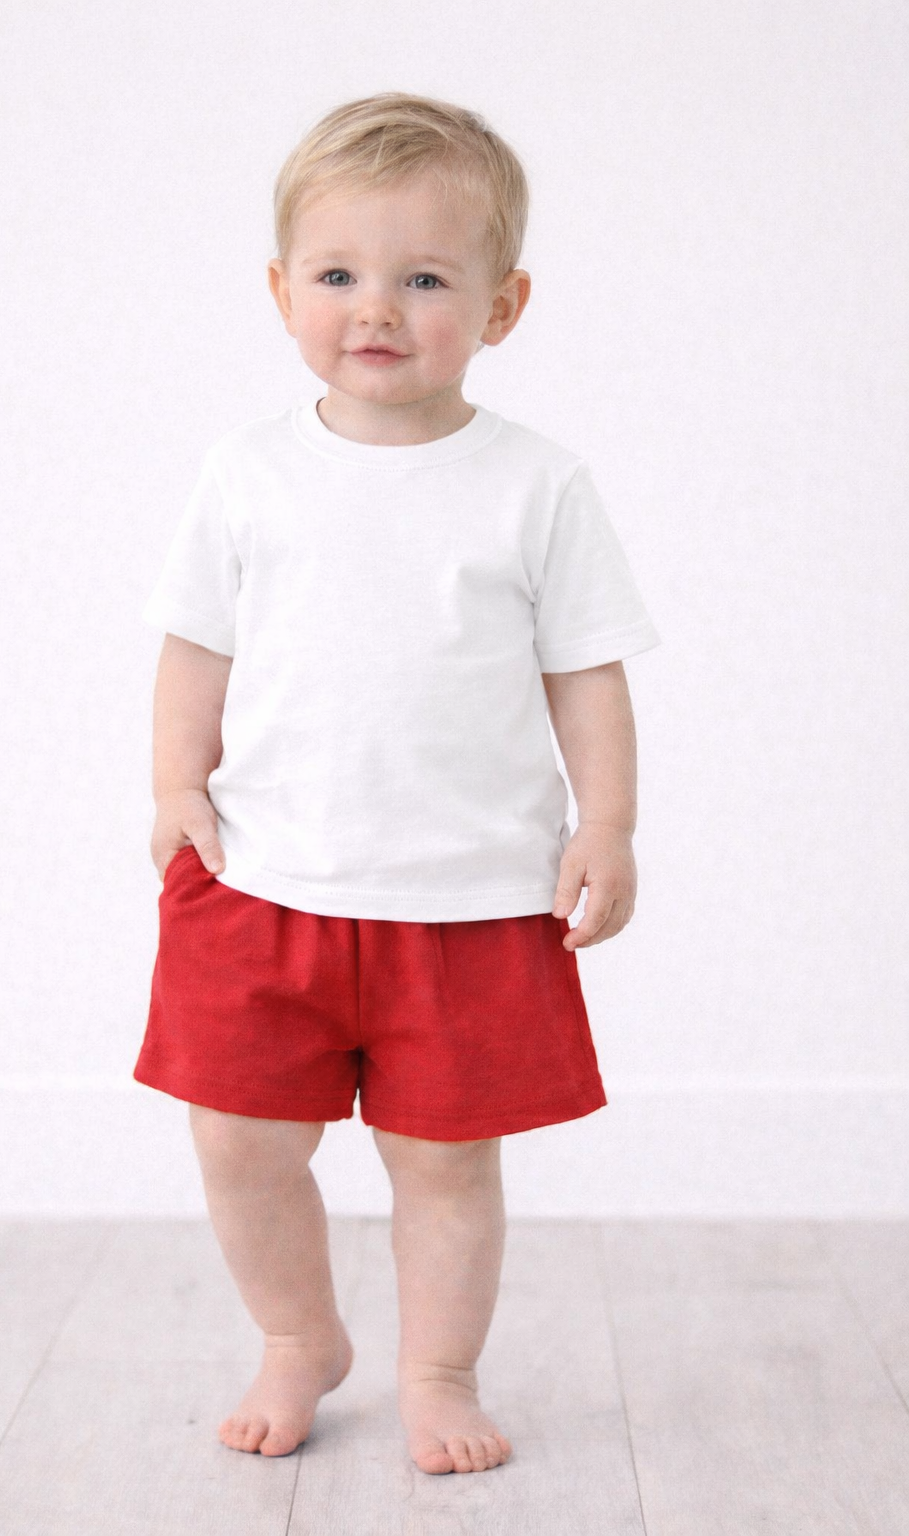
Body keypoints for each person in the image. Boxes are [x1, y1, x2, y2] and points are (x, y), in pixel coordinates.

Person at [133, 91, 660, 1477]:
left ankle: (439, 1365)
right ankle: (299, 1335)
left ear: (502, 306)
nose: (378, 308)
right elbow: (197, 641)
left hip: (470, 896)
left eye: (426, 279)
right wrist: (174, 781)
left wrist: (605, 822)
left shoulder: (535, 485)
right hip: (263, 880)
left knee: (445, 1163)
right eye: (339, 275)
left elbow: (586, 671)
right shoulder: (248, 473)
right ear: (280, 290)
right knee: (239, 1137)